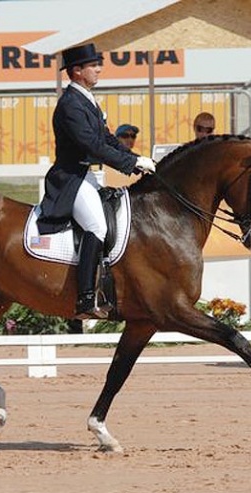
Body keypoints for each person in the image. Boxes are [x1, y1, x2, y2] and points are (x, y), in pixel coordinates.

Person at [37, 43, 156, 318]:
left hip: (84, 175)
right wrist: (131, 162)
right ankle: (85, 299)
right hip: (70, 177)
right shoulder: (70, 105)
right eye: (94, 65)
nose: (99, 69)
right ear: (77, 71)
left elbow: (108, 139)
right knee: (97, 226)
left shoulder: (86, 99)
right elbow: (91, 145)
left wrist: (137, 159)